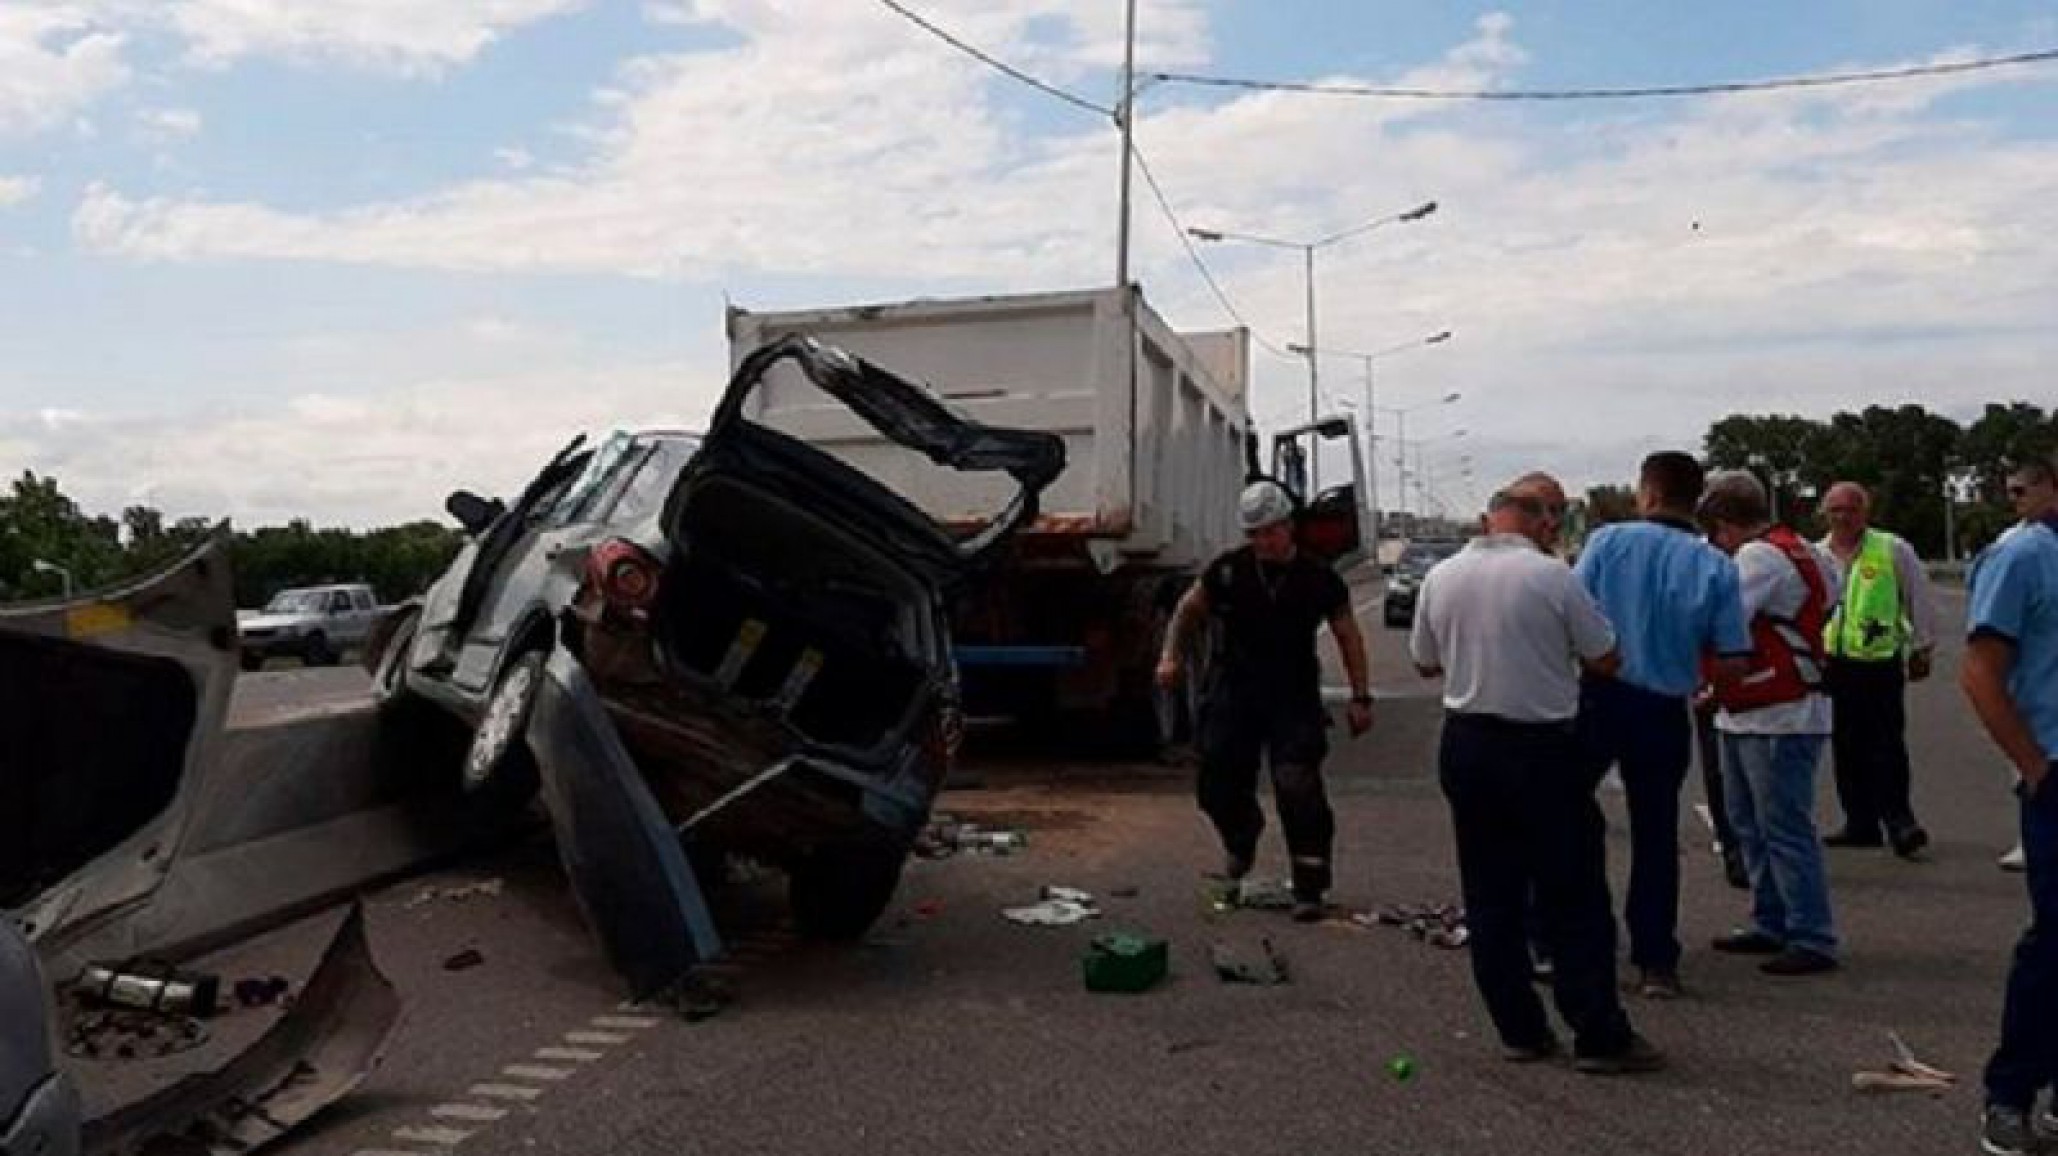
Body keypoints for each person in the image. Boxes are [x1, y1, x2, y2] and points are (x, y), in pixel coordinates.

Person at [1410, 483, 1662, 1073]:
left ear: (1488, 520)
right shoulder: (1552, 578)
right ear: (1535, 521)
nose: (1554, 528)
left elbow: (1425, 661)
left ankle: (1520, 1028)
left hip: (1467, 743)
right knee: (1572, 894)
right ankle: (1599, 1034)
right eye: (1550, 518)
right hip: (1541, 748)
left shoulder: (1441, 576)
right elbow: (1605, 656)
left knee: (1490, 892)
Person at [1574, 452, 1752, 999]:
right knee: (1656, 833)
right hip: (1664, 706)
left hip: (1600, 697)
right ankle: (1656, 959)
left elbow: (1570, 614)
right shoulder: (1716, 565)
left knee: (1570, 817)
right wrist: (1710, 689)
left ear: (1646, 493)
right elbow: (1733, 656)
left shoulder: (1607, 544)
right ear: (1695, 499)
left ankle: (1578, 936)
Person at [1157, 479, 1373, 923]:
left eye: (1270, 531)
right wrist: (1170, 658)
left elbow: (1348, 635)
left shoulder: (1319, 578)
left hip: (1292, 695)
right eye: (1254, 534)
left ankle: (1310, 884)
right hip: (1234, 690)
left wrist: (1360, 696)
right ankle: (1242, 837)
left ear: (1288, 527)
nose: (1263, 542)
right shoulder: (1228, 571)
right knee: (1216, 779)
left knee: (1297, 784)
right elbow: (1187, 612)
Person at [1697, 471, 1841, 977]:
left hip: (1773, 709)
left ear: (1723, 523)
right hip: (1767, 706)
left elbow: (1722, 616)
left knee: (1779, 825)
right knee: (1752, 822)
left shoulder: (1757, 558)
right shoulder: (1802, 549)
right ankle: (1773, 918)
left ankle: (1809, 932)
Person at [1961, 471, 2058, 1156]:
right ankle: (2010, 1097)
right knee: (2055, 946)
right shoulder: (2025, 557)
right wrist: (2036, 769)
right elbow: (1981, 672)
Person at [1818, 482, 1940, 858]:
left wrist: (1922, 647)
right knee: (1845, 745)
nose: (1843, 517)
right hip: (1833, 662)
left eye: (1851, 509)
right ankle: (1860, 822)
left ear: (1865, 512)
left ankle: (1899, 821)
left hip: (1878, 662)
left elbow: (1917, 597)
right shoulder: (1816, 554)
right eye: (1835, 510)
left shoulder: (1891, 549)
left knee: (1886, 744)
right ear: (1824, 513)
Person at [1987, 456, 2057, 873]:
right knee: (2025, 769)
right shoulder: (2014, 544)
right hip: (2030, 690)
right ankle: (2025, 840)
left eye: (2022, 492)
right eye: (2011, 492)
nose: (2015, 501)